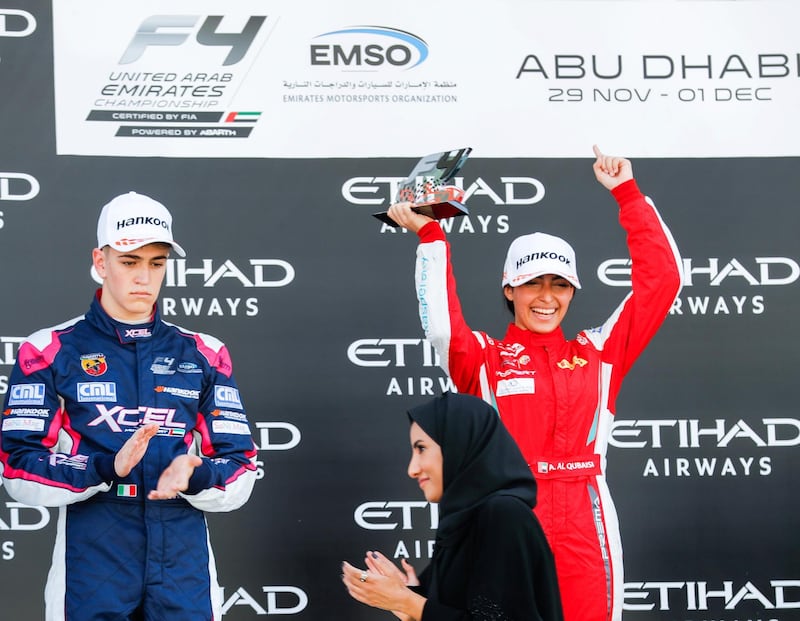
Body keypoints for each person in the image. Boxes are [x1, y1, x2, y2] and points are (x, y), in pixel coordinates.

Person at [382, 146, 683, 621]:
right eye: (532, 284)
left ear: (573, 291)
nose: (547, 297)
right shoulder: (481, 357)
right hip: (508, 512)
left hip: (587, 513)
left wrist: (627, 193)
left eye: (559, 284)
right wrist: (431, 236)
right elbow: (441, 325)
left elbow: (663, 281)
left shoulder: (599, 350)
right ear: (509, 289)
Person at [0, 191, 258, 620]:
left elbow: (241, 469)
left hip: (182, 544)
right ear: (101, 262)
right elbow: (18, 468)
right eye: (129, 261)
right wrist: (104, 468)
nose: (144, 277)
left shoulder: (205, 353)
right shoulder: (48, 349)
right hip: (94, 542)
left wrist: (196, 474)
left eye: (156, 263)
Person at [342, 391, 564, 620]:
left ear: (459, 443)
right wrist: (409, 597)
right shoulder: (462, 522)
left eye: (421, 449)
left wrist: (408, 602)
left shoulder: (503, 515)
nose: (412, 469)